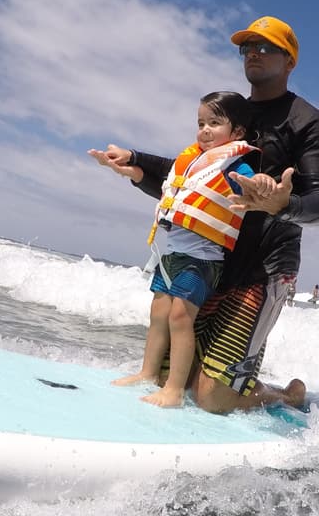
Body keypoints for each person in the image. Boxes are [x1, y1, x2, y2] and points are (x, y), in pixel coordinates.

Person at [89, 16, 319, 414]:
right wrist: (135, 165)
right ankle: (233, 373)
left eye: (267, 47)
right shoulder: (231, 112)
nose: (254, 53)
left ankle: (286, 394)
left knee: (211, 398)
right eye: (247, 47)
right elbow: (192, 182)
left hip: (264, 267)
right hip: (213, 258)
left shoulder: (310, 125)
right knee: (172, 376)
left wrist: (282, 205)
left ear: (290, 61)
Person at [99, 92, 258, 407]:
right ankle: (147, 372)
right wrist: (129, 168)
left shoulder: (234, 165)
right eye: (201, 123)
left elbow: (251, 186)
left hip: (201, 259)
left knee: (180, 317)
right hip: (171, 254)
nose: (205, 130)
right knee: (158, 313)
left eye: (215, 122)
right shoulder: (193, 163)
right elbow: (166, 187)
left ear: (237, 133)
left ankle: (173, 390)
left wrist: (263, 187)